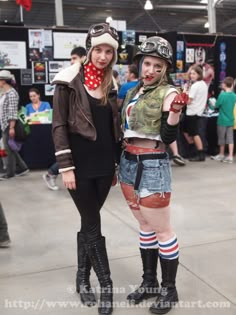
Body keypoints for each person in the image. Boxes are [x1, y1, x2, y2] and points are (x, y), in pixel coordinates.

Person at [52, 23, 120, 315]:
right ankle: (106, 287)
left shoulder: (111, 82)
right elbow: (58, 126)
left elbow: (111, 126)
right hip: (79, 166)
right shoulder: (67, 80)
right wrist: (66, 167)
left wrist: (116, 162)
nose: (103, 56)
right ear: (89, 49)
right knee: (93, 225)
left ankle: (82, 277)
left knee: (87, 223)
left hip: (105, 165)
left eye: (109, 51)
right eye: (99, 50)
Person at [119, 36, 188, 314]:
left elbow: (168, 134)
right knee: (145, 227)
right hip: (127, 163)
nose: (150, 70)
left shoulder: (169, 92)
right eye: (147, 63)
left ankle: (169, 290)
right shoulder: (132, 92)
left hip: (152, 165)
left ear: (165, 69)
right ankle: (149, 282)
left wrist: (175, 113)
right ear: (140, 63)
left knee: (162, 229)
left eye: (158, 66)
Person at [42, 46, 87, 191]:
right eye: (71, 59)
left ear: (83, 57)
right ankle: (51, 173)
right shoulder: (67, 79)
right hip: (71, 129)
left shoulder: (88, 79)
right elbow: (60, 118)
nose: (72, 62)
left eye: (74, 58)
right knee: (71, 154)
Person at [0, 70, 29, 180]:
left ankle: (10, 173)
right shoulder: (5, 93)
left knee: (9, 149)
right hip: (4, 125)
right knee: (10, 148)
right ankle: (23, 167)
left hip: (8, 125)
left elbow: (12, 112)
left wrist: (11, 127)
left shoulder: (11, 93)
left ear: (3, 81)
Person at [183, 65, 208, 161]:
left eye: (194, 74)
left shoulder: (195, 86)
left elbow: (188, 101)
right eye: (191, 73)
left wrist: (185, 92)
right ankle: (193, 150)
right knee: (187, 131)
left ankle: (200, 153)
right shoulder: (203, 84)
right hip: (198, 112)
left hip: (192, 112)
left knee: (194, 133)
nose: (191, 75)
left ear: (199, 74)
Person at [211, 77, 236, 163]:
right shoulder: (234, 95)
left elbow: (216, 105)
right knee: (230, 139)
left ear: (225, 85)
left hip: (222, 120)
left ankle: (221, 154)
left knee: (221, 138)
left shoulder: (222, 95)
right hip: (231, 120)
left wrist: (211, 104)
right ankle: (230, 156)